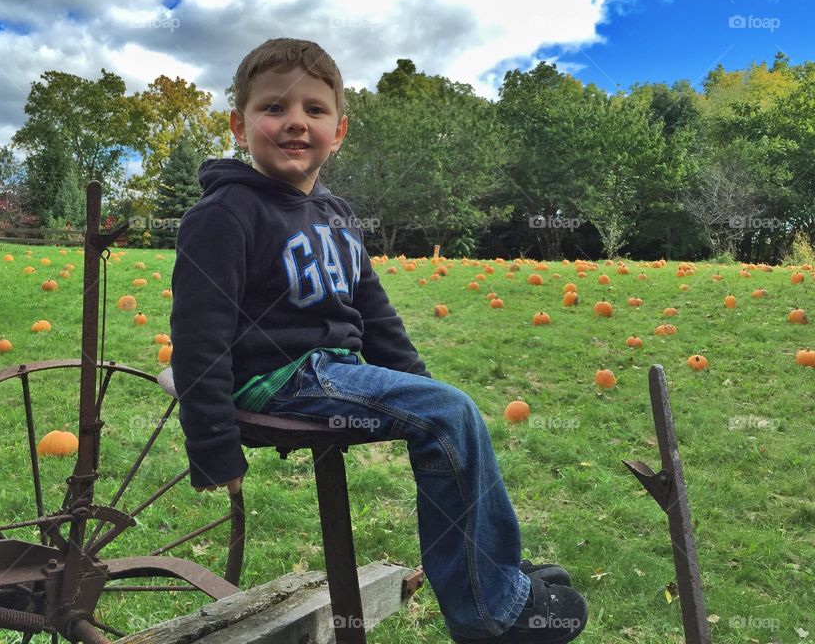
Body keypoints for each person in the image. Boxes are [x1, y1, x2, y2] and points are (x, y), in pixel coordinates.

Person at [161, 37, 587, 643]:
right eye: (274, 108)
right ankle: (493, 613)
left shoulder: (336, 214)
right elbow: (197, 334)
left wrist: (419, 380)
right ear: (239, 123)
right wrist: (213, 447)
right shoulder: (224, 214)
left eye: (314, 110)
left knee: (449, 410)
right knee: (452, 415)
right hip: (276, 379)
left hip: (331, 368)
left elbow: (376, 314)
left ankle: (490, 574)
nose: (295, 123)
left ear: (338, 132)